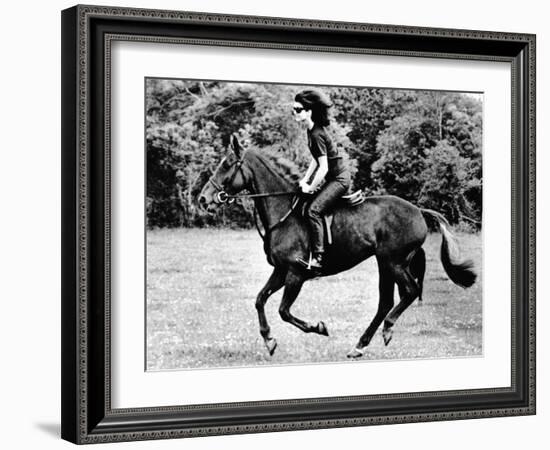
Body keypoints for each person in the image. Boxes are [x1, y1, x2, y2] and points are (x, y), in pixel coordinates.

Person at [293, 89, 351, 271]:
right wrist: (305, 180)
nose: (295, 112)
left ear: (309, 112)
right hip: (333, 177)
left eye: (298, 109)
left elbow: (324, 167)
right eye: (293, 109)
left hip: (339, 179)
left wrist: (310, 187)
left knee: (313, 211)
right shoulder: (311, 131)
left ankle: (318, 257)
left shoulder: (317, 134)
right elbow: (315, 160)